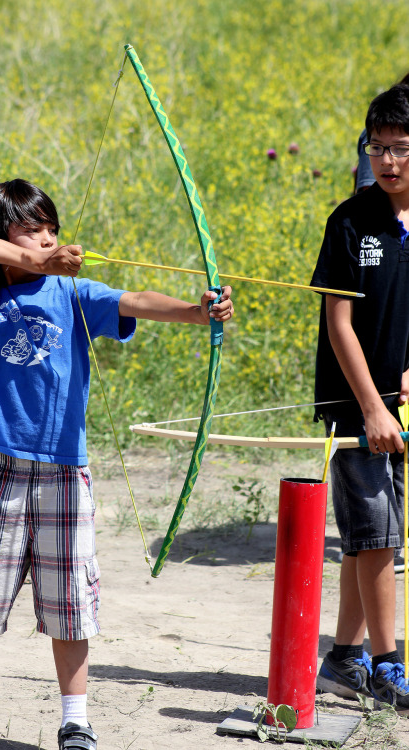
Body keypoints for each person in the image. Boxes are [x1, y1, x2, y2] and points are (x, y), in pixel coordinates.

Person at [0, 179, 234, 750]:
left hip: (63, 474)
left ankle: (75, 718)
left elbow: (133, 302)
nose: (48, 240)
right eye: (31, 229)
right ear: (4, 239)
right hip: (0, 469)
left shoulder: (73, 293)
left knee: (69, 604)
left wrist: (196, 310)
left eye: (52, 229)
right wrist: (35, 257)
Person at [313, 83, 409, 710]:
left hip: (398, 404)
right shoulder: (350, 220)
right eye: (378, 148)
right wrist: (372, 405)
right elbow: (338, 323)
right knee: (379, 533)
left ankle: (343, 658)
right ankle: (387, 662)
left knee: (372, 531)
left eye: (402, 149)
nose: (390, 161)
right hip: (353, 404)